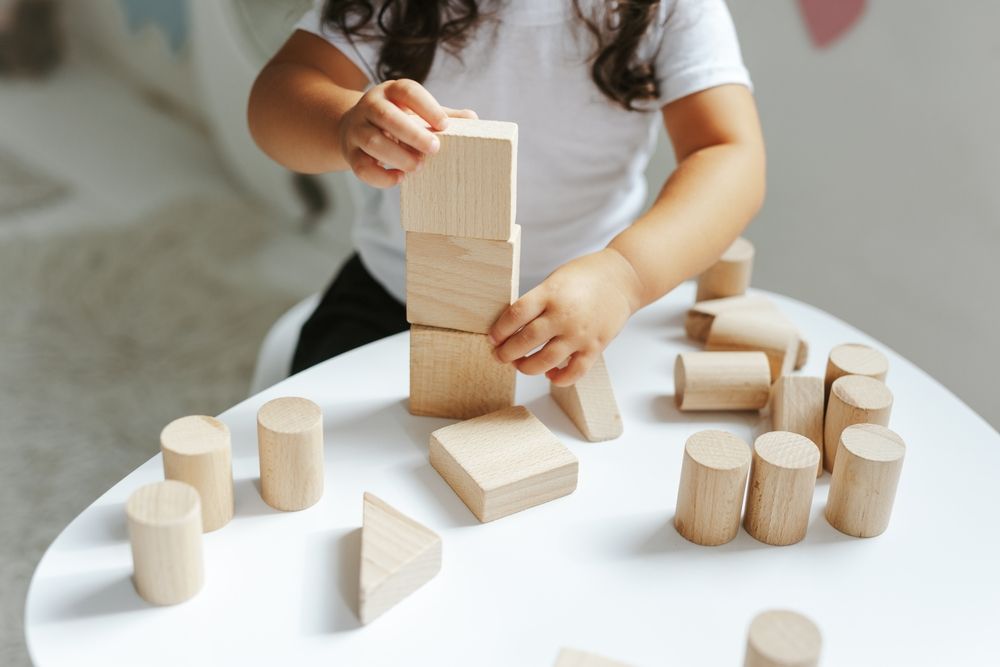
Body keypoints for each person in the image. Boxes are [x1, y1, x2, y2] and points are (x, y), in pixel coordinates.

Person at [247, 0, 765, 386]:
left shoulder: (670, 9)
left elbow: (729, 154)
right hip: (397, 295)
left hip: (594, 306)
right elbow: (278, 98)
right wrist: (344, 123)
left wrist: (624, 277)